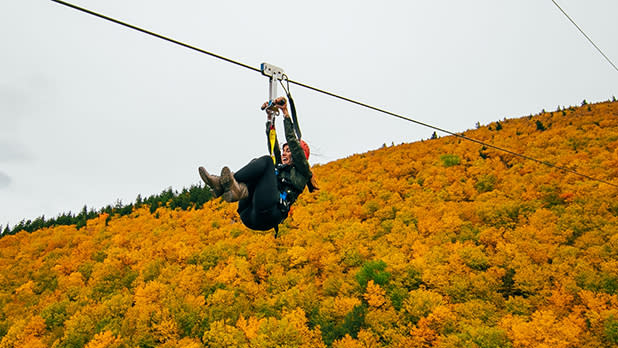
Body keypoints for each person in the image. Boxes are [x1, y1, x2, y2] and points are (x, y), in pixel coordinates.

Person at [198, 96, 318, 231]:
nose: (284, 153)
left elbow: (294, 144)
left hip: (270, 213)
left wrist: (285, 113)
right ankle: (235, 190)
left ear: (298, 156)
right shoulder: (280, 167)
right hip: (248, 213)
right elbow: (273, 147)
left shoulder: (302, 172)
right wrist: (269, 118)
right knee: (259, 164)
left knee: (267, 162)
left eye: (288, 151)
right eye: (284, 150)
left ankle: (221, 183)